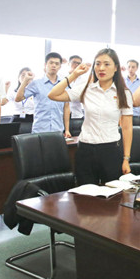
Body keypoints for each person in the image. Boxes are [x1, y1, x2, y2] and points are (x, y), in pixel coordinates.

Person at [48, 49, 132, 185]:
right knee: (84, 193)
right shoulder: (86, 88)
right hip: (85, 149)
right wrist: (74, 75)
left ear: (116, 67)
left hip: (110, 150)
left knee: (113, 193)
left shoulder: (124, 93)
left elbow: (127, 128)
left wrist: (126, 158)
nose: (101, 68)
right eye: (97, 64)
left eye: (106, 64)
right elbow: (53, 95)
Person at [16, 53, 71, 136]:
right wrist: (25, 80)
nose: (54, 66)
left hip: (58, 130)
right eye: (51, 63)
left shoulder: (64, 84)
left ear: (60, 67)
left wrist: (67, 130)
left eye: (57, 64)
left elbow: (66, 107)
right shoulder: (36, 83)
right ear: (45, 65)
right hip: (39, 130)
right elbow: (18, 98)